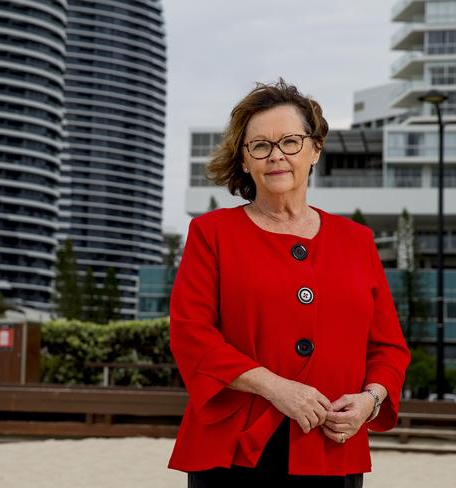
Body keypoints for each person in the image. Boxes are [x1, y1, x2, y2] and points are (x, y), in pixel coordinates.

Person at [167, 79, 411, 487]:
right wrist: (275, 387)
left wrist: (371, 401)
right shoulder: (212, 233)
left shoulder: (357, 241)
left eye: (290, 142)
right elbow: (192, 335)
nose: (276, 155)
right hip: (235, 451)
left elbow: (388, 347)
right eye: (260, 145)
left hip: (333, 445)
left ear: (315, 149)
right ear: (245, 161)